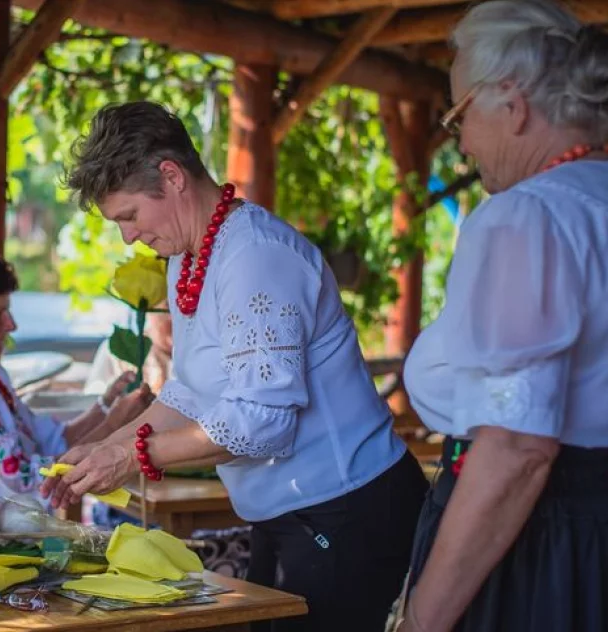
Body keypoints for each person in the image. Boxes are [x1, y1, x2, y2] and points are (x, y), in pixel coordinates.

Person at [41, 101, 427, 631]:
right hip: (291, 513)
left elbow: (264, 421)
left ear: (171, 177)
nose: (128, 237)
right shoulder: (190, 256)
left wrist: (131, 456)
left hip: (348, 509)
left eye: (128, 216)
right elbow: (190, 394)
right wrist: (106, 448)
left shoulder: (255, 256)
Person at [397, 2, 608, 631]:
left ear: (511, 104)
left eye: (459, 115)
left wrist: (420, 620)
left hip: (547, 546)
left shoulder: (530, 215)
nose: (460, 142)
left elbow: (516, 449)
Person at [0, 242, 153, 506]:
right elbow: (18, 486)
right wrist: (113, 425)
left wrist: (105, 406)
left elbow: (48, 443)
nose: (11, 325)